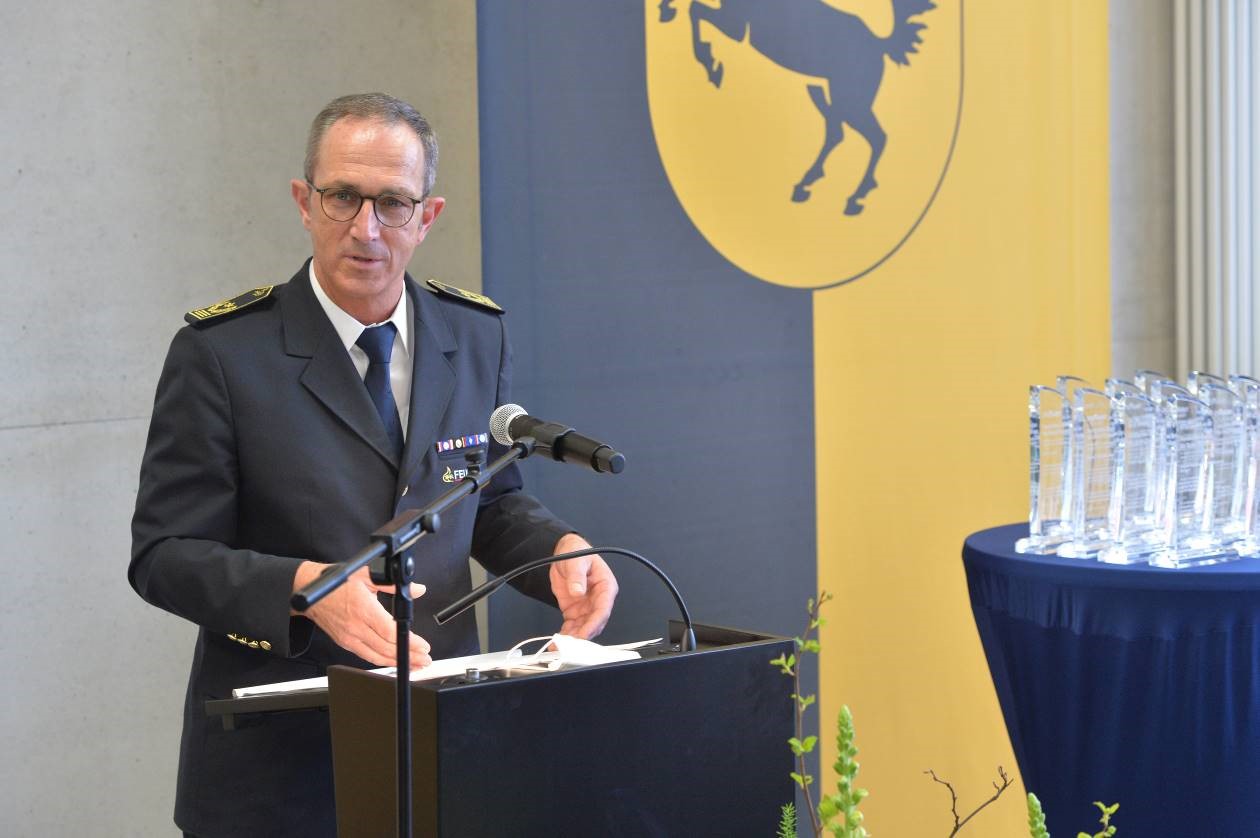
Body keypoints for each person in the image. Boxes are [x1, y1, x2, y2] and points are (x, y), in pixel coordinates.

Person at [129, 92, 618, 837]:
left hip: (442, 741)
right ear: (304, 202)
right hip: (280, 768)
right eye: (342, 197)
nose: (365, 228)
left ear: (428, 217)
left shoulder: (474, 333)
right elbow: (164, 555)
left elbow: (484, 498)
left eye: (393, 203)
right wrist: (303, 590)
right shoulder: (222, 354)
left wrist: (557, 550)